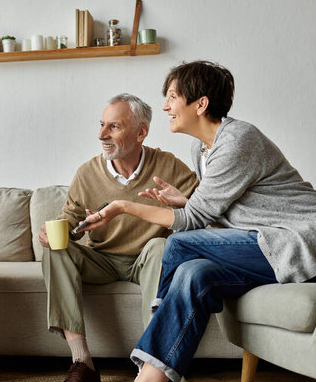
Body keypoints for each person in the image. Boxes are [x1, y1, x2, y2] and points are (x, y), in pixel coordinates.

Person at [77, 61, 316, 382]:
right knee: (192, 272)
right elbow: (219, 211)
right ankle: (151, 378)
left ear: (201, 104)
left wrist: (122, 206)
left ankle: (156, 324)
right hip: (261, 244)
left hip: (303, 243)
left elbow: (191, 222)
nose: (165, 106)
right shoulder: (200, 148)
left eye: (173, 97)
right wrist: (188, 200)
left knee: (177, 243)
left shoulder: (237, 140)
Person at [38, 93, 198, 382]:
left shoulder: (169, 167)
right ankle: (82, 362)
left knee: (161, 245)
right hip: (101, 259)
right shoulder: (87, 173)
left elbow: (204, 211)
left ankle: (154, 363)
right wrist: (56, 231)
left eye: (114, 127)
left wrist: (181, 204)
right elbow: (70, 218)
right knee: (55, 250)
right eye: (101, 125)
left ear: (141, 132)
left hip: (147, 259)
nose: (102, 135)